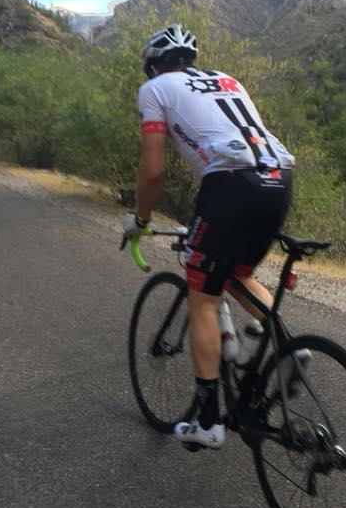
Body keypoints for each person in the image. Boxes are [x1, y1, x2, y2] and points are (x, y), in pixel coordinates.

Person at [122, 24, 297, 449]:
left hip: (230, 185)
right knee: (237, 272)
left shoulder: (154, 89)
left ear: (152, 67)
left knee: (202, 296)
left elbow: (154, 170)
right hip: (279, 179)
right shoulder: (228, 80)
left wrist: (140, 219)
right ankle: (286, 347)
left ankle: (207, 423)